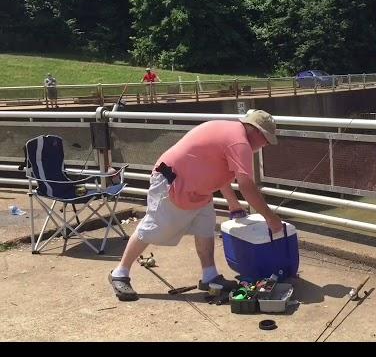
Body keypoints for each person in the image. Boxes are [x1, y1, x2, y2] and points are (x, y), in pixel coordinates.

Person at [108, 110, 284, 301]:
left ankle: (210, 275)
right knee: (152, 227)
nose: (265, 145)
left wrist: (233, 205)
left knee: (205, 226)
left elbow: (218, 171)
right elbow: (246, 185)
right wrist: (271, 219)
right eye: (266, 140)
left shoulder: (230, 131)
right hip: (173, 182)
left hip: (197, 188)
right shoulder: (240, 143)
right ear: (256, 131)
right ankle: (120, 272)